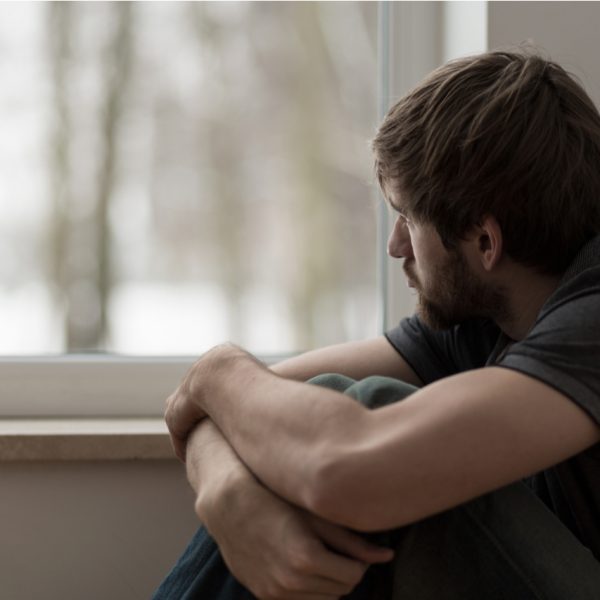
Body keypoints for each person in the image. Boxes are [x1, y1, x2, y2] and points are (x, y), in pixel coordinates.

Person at [156, 48, 600, 599]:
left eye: (407, 219)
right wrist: (229, 497)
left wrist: (218, 367)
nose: (395, 246)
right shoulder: (497, 313)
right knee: (322, 405)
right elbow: (231, 406)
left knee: (368, 423)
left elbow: (342, 467)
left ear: (486, 242)